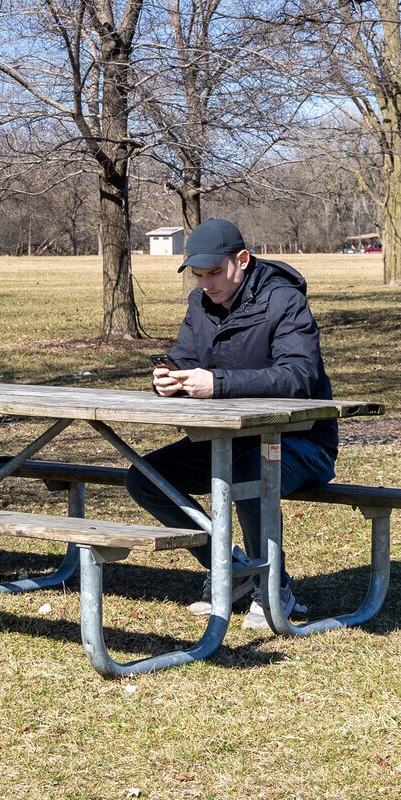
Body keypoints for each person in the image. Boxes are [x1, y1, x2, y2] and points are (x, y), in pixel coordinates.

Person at [130, 217, 337, 625]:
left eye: (214, 273)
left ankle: (272, 588)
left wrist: (219, 384)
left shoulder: (284, 300)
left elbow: (299, 377)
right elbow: (187, 361)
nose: (206, 283)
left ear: (241, 260)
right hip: (228, 441)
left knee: (250, 472)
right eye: (198, 274)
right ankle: (232, 568)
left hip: (303, 443)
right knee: (144, 478)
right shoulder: (200, 304)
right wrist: (169, 379)